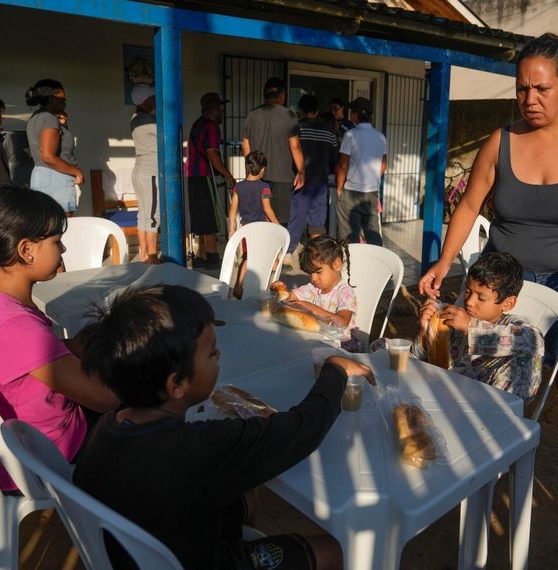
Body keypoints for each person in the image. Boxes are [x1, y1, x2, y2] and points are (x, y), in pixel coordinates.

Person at [419, 33, 558, 515]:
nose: (530, 99)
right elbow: (469, 204)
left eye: (541, 89)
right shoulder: (501, 141)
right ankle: (471, 460)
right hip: (503, 282)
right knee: (479, 365)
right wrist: (441, 260)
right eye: (522, 89)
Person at [72, 284, 375, 569]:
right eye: (211, 353)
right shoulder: (199, 449)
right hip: (194, 561)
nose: (219, 357)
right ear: (176, 384)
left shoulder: (108, 426)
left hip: (132, 553)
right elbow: (304, 428)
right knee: (339, 550)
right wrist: (334, 369)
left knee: (243, 496)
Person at [0, 186, 119, 492]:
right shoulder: (12, 324)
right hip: (41, 456)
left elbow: (39, 359)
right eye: (56, 242)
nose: (62, 251)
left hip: (27, 440)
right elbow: (105, 399)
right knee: (152, 416)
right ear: (26, 250)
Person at [414, 252, 544, 403]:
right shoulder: (455, 321)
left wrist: (470, 327)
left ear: (508, 303)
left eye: (481, 297)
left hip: (492, 411)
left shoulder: (514, 328)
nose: (469, 301)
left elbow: (534, 340)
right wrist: (427, 333)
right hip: (449, 398)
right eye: (468, 291)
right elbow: (422, 363)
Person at [270, 236, 358, 349]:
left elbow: (342, 322)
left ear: (337, 264)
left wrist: (310, 307)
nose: (314, 278)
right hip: (319, 341)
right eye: (310, 273)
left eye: (318, 272)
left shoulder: (345, 292)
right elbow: (289, 298)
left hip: (343, 347)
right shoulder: (313, 288)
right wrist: (279, 288)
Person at [241, 77, 305, 224]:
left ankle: (260, 246)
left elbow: (246, 146)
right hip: (282, 175)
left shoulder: (252, 116)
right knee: (280, 219)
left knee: (259, 217)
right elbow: (295, 146)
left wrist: (251, 170)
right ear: (281, 95)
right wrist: (301, 172)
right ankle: (277, 247)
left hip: (258, 174)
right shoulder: (289, 116)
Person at [286, 94, 338, 260]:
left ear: (301, 110)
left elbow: (290, 152)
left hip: (300, 181)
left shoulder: (297, 129)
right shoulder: (329, 132)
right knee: (317, 222)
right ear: (316, 111)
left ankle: (287, 254)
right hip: (321, 182)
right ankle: (317, 255)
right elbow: (334, 158)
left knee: (296, 218)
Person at [187, 92, 235, 269]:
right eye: (221, 108)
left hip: (192, 174)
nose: (222, 111)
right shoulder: (212, 126)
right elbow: (213, 154)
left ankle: (201, 256)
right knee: (210, 216)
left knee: (200, 215)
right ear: (215, 109)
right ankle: (212, 257)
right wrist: (228, 174)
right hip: (204, 173)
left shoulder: (197, 124)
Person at [25, 79, 83, 216]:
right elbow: (48, 156)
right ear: (53, 97)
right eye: (63, 98)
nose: (65, 102)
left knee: (47, 229)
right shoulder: (49, 118)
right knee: (63, 228)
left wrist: (63, 126)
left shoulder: (36, 117)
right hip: (55, 177)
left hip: (43, 176)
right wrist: (77, 171)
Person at [335, 97, 386, 246]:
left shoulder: (350, 135)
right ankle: (376, 265)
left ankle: (352, 266)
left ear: (356, 114)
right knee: (373, 235)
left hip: (351, 191)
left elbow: (343, 165)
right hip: (371, 193)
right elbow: (383, 166)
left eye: (352, 112)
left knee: (349, 236)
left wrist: (339, 189)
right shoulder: (380, 136)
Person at [228, 151, 279, 299]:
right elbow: (267, 209)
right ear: (262, 169)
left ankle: (238, 286)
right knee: (269, 257)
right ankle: (271, 287)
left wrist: (232, 228)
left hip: (246, 228)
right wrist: (277, 225)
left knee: (247, 257)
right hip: (262, 229)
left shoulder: (238, 187)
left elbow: (233, 209)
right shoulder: (264, 187)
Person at [129, 84, 161, 264]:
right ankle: (152, 256)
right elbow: (167, 136)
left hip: (140, 171)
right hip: (151, 172)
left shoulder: (135, 118)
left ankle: (144, 254)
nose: (156, 101)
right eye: (153, 98)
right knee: (152, 215)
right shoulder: (148, 119)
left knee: (143, 214)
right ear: (147, 100)